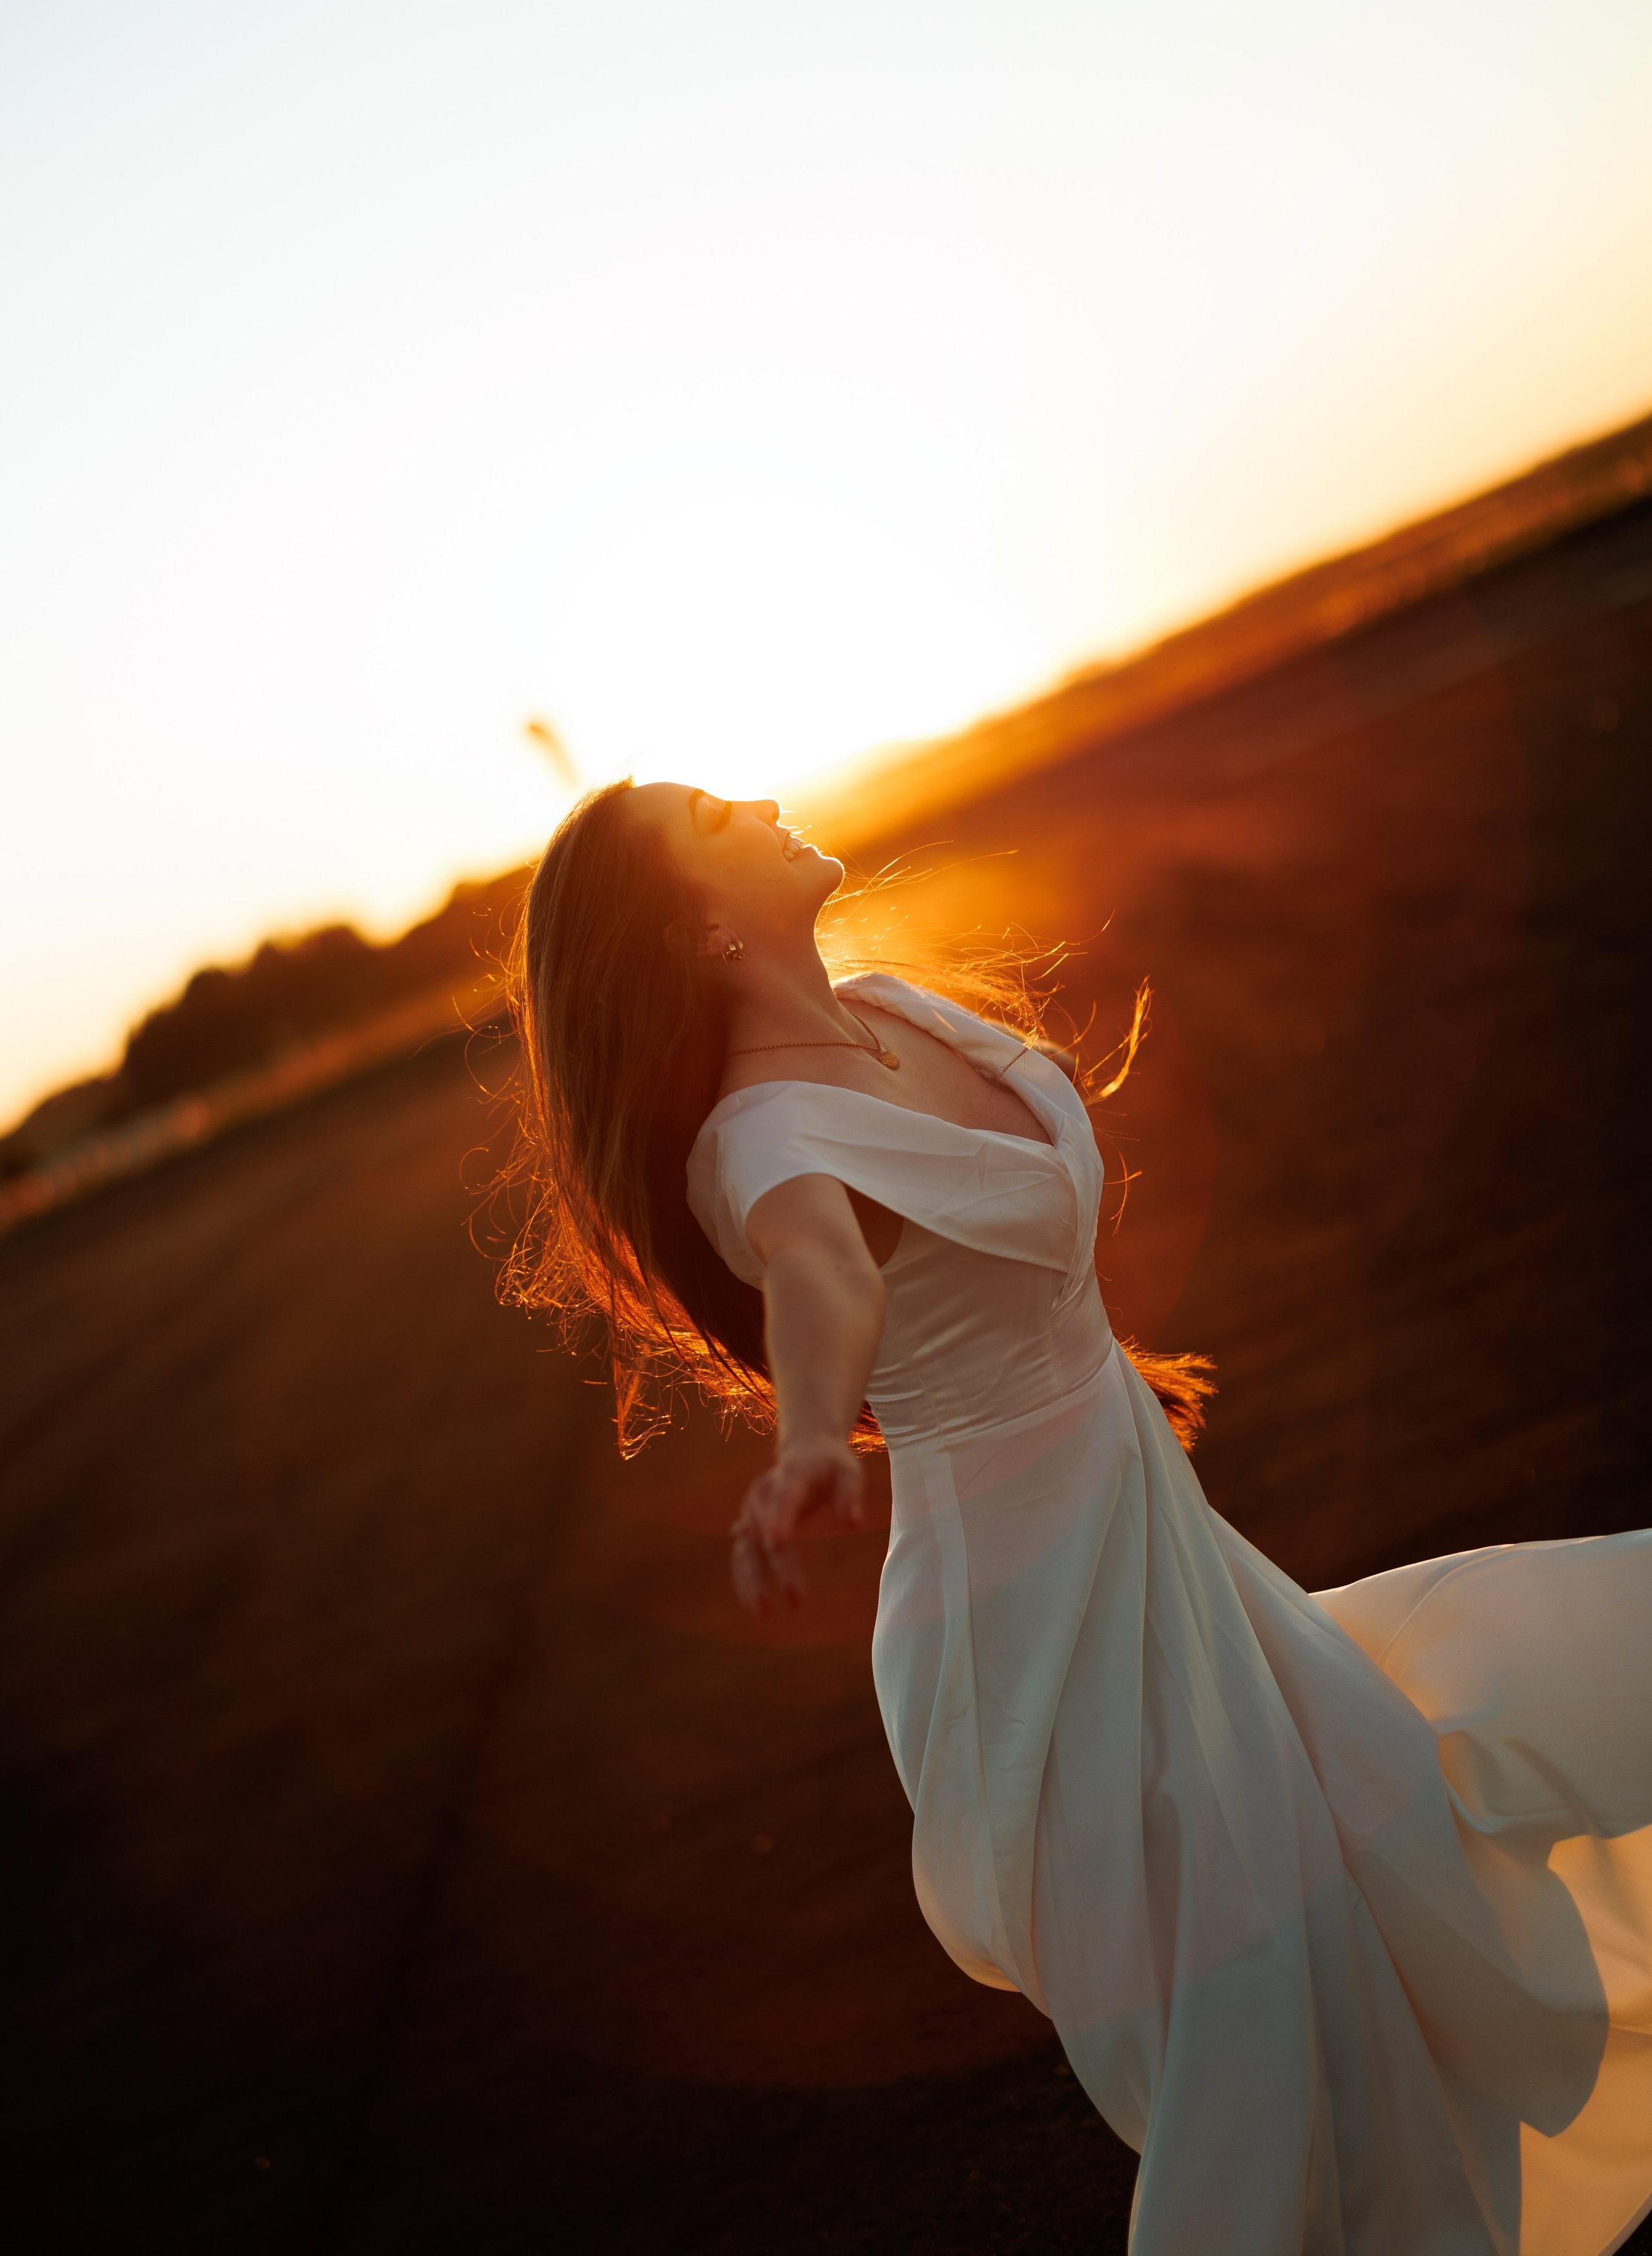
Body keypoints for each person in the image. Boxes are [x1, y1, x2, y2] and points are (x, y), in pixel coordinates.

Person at [504, 779, 1652, 2256]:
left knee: (1387, 1848)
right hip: (1036, 1636)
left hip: (1153, 1548)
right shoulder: (760, 1137)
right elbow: (819, 1271)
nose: (766, 798)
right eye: (723, 820)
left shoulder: (890, 1009)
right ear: (703, 928)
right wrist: (804, 1437)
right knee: (1269, 2019)